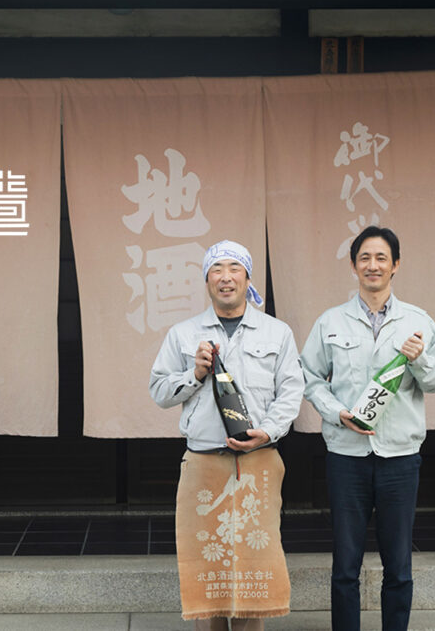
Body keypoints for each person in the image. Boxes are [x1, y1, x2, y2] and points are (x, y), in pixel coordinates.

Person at [300, 226, 435, 631]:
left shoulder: (417, 322)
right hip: (347, 457)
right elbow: (309, 377)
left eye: (381, 258)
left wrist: (419, 360)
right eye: (365, 258)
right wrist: (336, 412)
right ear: (353, 265)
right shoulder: (330, 321)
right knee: (345, 563)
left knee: (398, 563)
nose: (373, 265)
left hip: (400, 457)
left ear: (395, 265)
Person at [150, 240, 304, 631]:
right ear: (206, 280)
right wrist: (195, 374)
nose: (226, 277)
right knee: (207, 569)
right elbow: (159, 391)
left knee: (254, 569)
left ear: (248, 278)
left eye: (235, 268)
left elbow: (291, 392)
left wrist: (267, 432)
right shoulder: (184, 334)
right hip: (203, 464)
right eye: (216, 269)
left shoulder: (277, 332)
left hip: (258, 462)